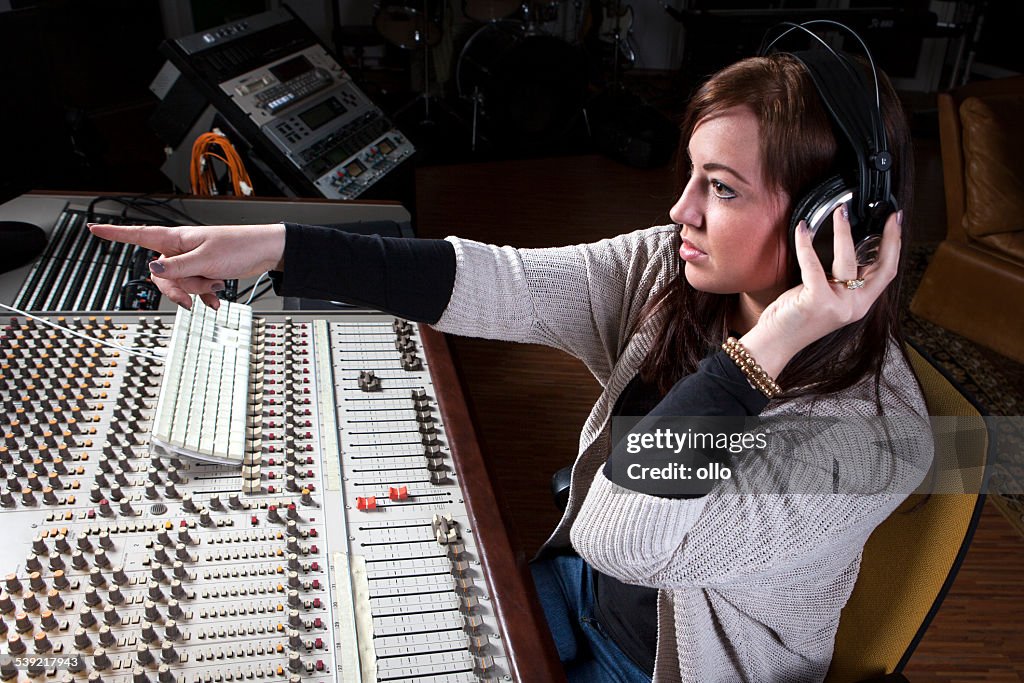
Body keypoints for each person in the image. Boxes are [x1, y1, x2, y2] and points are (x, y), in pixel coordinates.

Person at [91, 50, 932, 683]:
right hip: (578, 586)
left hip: (658, 666)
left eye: (721, 188)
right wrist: (273, 247)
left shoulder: (873, 442)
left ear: (830, 218)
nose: (680, 211)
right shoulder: (671, 272)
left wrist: (760, 355)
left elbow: (622, 534)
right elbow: (502, 282)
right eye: (691, 177)